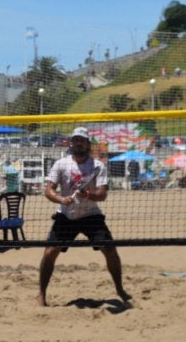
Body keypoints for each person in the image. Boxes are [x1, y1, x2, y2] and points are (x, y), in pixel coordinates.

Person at [37, 127, 131, 307]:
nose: (79, 143)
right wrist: (61, 199)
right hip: (66, 215)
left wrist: (88, 194)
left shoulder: (98, 166)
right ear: (71, 143)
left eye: (82, 140)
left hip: (91, 214)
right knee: (49, 252)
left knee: (110, 250)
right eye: (75, 140)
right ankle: (41, 294)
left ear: (88, 144)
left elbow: (102, 195)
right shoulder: (61, 164)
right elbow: (48, 190)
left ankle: (119, 289)